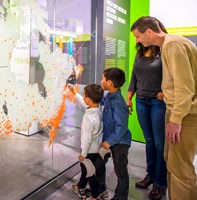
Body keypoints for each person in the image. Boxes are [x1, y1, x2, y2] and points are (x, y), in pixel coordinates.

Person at [131, 16, 197, 200]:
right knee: (172, 161)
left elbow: (184, 88)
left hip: (188, 114)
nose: (138, 41)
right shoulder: (172, 43)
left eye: (138, 36)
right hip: (183, 110)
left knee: (180, 168)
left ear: (149, 32)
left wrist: (175, 120)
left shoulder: (172, 46)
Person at [127, 43, 167, 200]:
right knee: (149, 142)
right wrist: (129, 97)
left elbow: (171, 76)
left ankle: (160, 182)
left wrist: (165, 92)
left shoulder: (163, 53)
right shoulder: (139, 54)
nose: (138, 38)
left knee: (159, 144)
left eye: (139, 34)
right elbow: (134, 77)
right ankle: (150, 175)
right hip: (141, 101)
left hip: (158, 101)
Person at [98, 67, 132, 200]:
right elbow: (100, 101)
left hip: (119, 143)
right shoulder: (109, 97)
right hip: (109, 140)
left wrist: (110, 142)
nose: (101, 81)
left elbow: (122, 127)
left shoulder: (117, 102)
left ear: (109, 83)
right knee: (99, 163)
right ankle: (101, 189)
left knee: (121, 172)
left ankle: (120, 197)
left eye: (103, 79)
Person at [68, 84, 104, 200]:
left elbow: (87, 139)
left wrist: (83, 154)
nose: (83, 97)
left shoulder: (88, 119)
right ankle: (81, 186)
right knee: (86, 169)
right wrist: (75, 93)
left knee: (89, 173)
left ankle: (95, 195)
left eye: (83, 95)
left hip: (88, 151)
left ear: (88, 99)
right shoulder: (98, 109)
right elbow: (85, 105)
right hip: (96, 149)